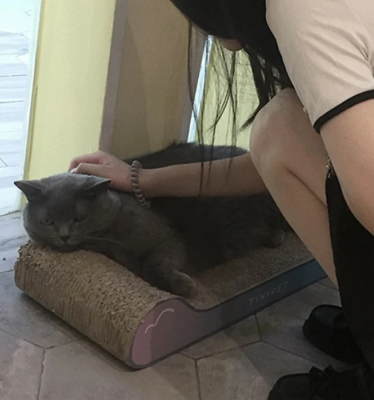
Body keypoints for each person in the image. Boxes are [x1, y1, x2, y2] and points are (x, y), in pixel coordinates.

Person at [69, 0, 374, 398]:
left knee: (278, 127)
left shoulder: (302, 9)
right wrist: (142, 178)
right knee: (282, 124)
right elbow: (277, 157)